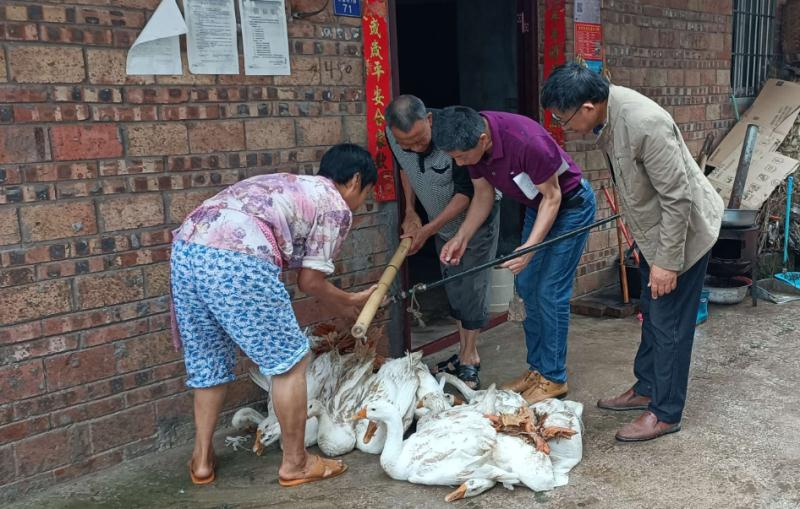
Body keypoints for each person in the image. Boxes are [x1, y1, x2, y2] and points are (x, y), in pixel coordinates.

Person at [170, 144, 377, 485]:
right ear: (355, 181)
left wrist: (343, 302)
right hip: (237, 256)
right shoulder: (335, 205)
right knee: (290, 362)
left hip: (188, 248)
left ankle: (202, 460)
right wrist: (349, 299)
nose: (361, 203)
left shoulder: (291, 184)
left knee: (208, 360)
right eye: (366, 195)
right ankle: (296, 463)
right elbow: (310, 281)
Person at [541, 63, 724, 442]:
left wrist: (667, 263)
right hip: (653, 233)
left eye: (564, 118)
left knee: (669, 323)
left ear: (588, 107)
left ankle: (666, 412)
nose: (563, 126)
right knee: (651, 309)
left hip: (685, 234)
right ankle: (646, 388)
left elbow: (678, 198)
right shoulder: (608, 118)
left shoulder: (644, 123)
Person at [433, 105, 597, 404]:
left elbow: (553, 196)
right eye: (454, 157)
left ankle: (554, 378)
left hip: (571, 206)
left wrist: (530, 248)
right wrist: (462, 236)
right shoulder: (472, 145)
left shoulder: (526, 141)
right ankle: (538, 370)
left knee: (550, 290)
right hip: (539, 209)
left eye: (461, 156)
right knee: (527, 286)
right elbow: (483, 194)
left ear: (483, 139)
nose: (459, 162)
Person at [385, 95, 500, 389]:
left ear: (430, 121)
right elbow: (405, 168)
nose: (413, 147)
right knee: (454, 285)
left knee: (471, 286)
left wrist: (428, 229)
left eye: (419, 139)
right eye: (406, 143)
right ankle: (463, 353)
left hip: (473, 223)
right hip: (439, 223)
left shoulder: (452, 137)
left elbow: (467, 193)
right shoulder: (395, 136)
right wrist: (411, 212)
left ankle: (470, 358)